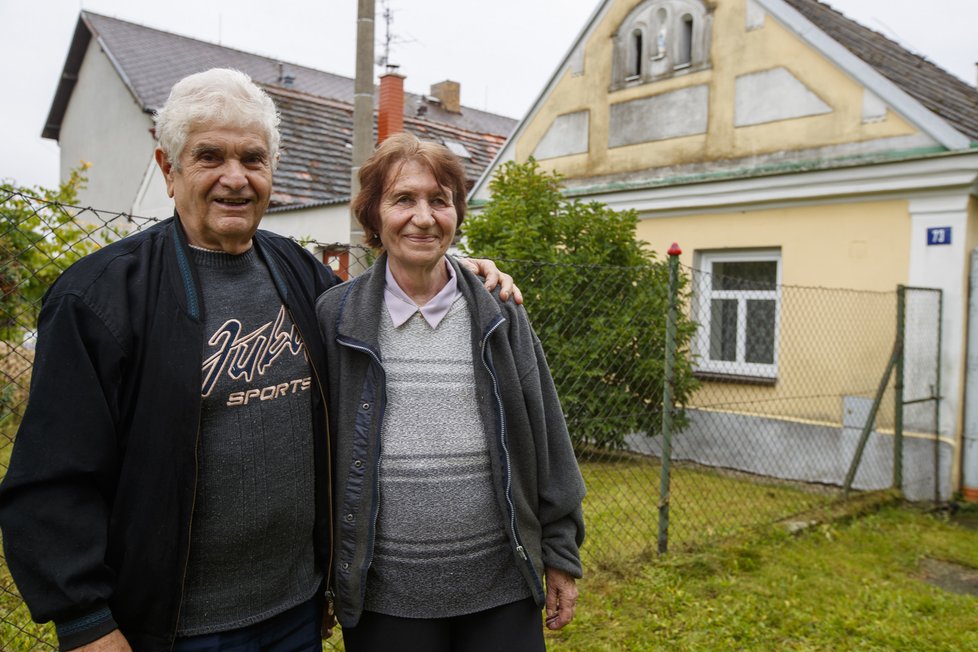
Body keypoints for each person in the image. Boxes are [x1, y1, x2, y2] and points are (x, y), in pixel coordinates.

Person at [0, 68, 516, 652]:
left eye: (253, 158)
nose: (235, 179)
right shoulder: (98, 299)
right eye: (210, 157)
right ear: (169, 171)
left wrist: (461, 274)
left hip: (294, 611)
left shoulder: (302, 277)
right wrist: (85, 621)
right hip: (168, 629)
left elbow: (386, 305)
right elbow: (51, 480)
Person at [316, 133, 586, 651]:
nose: (423, 217)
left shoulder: (499, 311)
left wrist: (561, 553)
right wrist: (326, 574)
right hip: (385, 597)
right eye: (403, 200)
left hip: (502, 590)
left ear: (457, 215)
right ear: (373, 216)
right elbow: (316, 457)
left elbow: (547, 433)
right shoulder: (336, 316)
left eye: (439, 201)